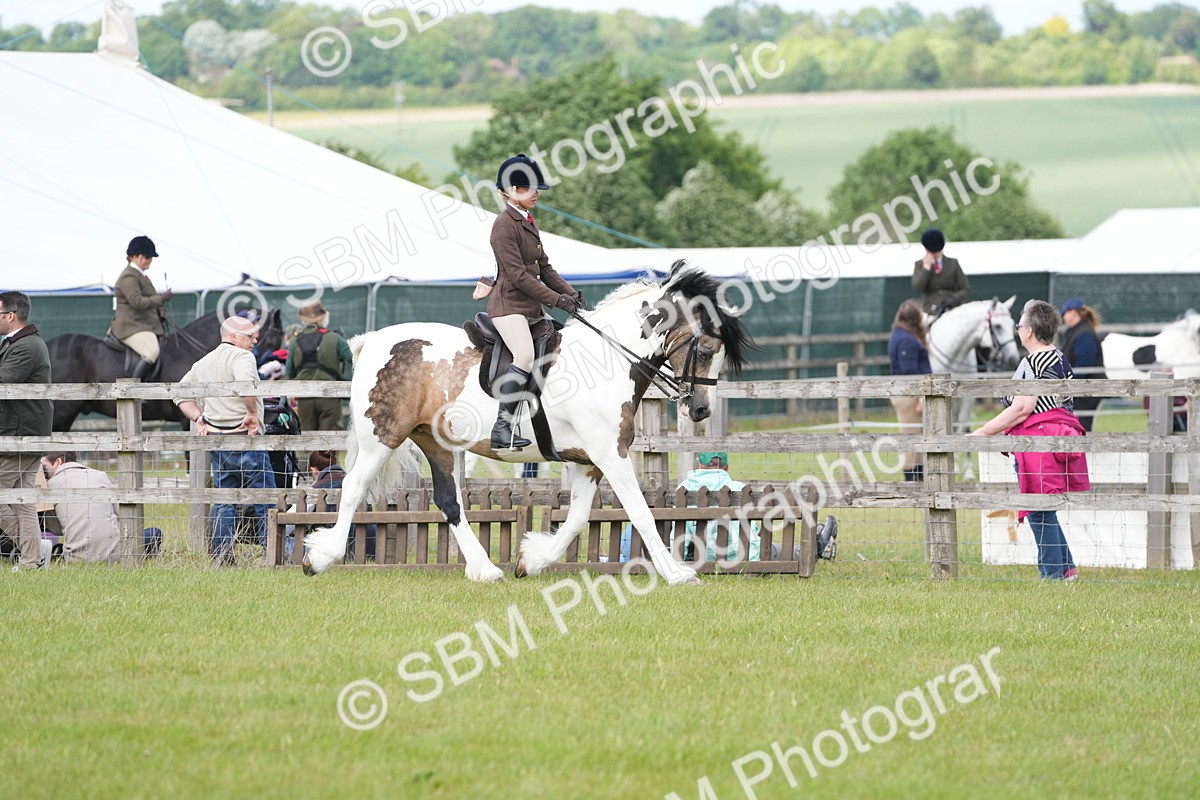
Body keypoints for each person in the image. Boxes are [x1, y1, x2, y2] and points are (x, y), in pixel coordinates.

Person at [968, 300, 1090, 580]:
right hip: (1057, 442)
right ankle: (1066, 569)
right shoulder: (1059, 357)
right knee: (1044, 508)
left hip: (1038, 445)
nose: (1017, 329)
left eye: (1019, 324)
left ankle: (1053, 576)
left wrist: (985, 432)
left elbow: (1022, 407)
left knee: (1037, 509)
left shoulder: (1034, 362)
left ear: (1030, 331)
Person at [487, 153, 582, 450]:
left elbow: (544, 268)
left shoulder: (528, 221)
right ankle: (502, 428)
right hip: (508, 307)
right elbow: (518, 277)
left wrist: (572, 295)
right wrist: (557, 300)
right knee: (525, 357)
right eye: (530, 188)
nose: (536, 193)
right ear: (513, 190)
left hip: (530, 308)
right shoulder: (504, 225)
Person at [174, 316, 276, 565]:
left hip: (218, 440)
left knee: (224, 501)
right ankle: (272, 554)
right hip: (245, 439)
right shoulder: (242, 357)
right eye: (249, 336)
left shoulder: (203, 362)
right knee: (265, 499)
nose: (255, 340)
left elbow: (179, 393)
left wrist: (199, 417)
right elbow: (245, 385)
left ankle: (222, 557)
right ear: (233, 337)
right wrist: (252, 414)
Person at [0, 291, 53, 570]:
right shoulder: (19, 343)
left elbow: (3, 379)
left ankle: (34, 551)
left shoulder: (26, 346)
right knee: (22, 500)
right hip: (21, 432)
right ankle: (32, 559)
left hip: (19, 434)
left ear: (10, 315)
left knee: (13, 498)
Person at [111, 235, 173, 381]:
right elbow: (137, 302)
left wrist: (158, 311)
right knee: (152, 351)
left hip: (143, 323)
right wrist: (162, 298)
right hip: (131, 326)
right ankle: (132, 390)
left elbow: (146, 300)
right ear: (134, 257)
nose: (150, 260)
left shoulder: (140, 276)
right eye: (147, 256)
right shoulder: (128, 277)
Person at [285, 301, 353, 434]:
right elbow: (352, 359)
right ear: (324, 317)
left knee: (306, 435)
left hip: (304, 396)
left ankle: (307, 456)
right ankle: (327, 456)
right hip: (330, 395)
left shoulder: (294, 340)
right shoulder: (335, 338)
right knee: (330, 437)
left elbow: (290, 371)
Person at [40, 452, 120, 563]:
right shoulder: (101, 476)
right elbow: (119, 513)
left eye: (44, 469)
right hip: (115, 555)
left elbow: (56, 530)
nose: (43, 474)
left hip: (76, 558)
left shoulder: (50, 486)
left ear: (58, 462)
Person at [888, 299, 932, 481]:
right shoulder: (905, 339)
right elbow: (909, 370)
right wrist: (921, 396)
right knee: (910, 438)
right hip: (909, 394)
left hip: (910, 392)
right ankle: (912, 480)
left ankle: (918, 478)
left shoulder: (902, 334)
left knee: (917, 437)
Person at [1059, 298, 1106, 432]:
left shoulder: (1084, 334)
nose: (1064, 317)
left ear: (1073, 312)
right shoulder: (1078, 332)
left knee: (1080, 429)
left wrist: (1066, 385)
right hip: (1079, 391)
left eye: (1065, 313)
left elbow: (1084, 367)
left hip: (1084, 393)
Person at [911, 228, 970, 316]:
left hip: (952, 308)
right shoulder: (919, 264)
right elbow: (917, 287)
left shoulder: (953, 263)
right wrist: (926, 268)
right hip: (930, 310)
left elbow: (965, 288)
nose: (935, 254)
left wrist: (953, 299)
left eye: (937, 252)